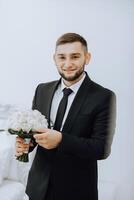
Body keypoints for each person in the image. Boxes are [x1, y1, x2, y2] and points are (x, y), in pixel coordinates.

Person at [16, 33, 116, 200]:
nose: (68, 64)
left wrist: (61, 139)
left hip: (76, 190)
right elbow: (35, 131)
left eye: (75, 57)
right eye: (62, 57)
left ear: (87, 57)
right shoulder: (42, 89)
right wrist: (25, 144)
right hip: (37, 188)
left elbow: (102, 148)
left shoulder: (104, 97)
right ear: (54, 58)